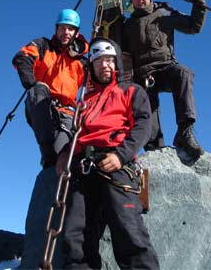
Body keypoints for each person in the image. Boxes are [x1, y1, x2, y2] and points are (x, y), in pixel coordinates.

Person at [56, 37, 160, 270]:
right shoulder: (84, 101)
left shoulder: (131, 91)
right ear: (91, 66)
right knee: (76, 237)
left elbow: (143, 125)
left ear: (117, 64)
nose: (105, 65)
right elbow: (76, 132)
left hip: (116, 163)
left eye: (110, 60)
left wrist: (121, 155)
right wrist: (65, 154)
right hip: (83, 167)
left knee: (128, 231)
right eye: (99, 61)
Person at [122, 0, 206, 159]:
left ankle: (184, 131)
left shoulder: (164, 13)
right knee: (146, 109)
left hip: (165, 68)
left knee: (182, 73)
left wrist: (198, 1)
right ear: (131, 0)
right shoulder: (127, 26)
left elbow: (193, 26)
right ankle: (154, 149)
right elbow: (123, 55)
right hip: (142, 76)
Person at [12, 9, 89, 168]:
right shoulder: (43, 46)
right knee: (38, 89)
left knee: (60, 158)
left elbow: (96, 85)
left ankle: (51, 161)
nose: (65, 32)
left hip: (67, 113)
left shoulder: (81, 62)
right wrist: (32, 84)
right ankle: (47, 153)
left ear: (76, 32)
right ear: (56, 29)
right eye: (62, 28)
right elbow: (22, 58)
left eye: (70, 28)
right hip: (43, 106)